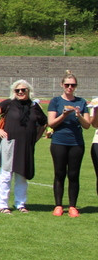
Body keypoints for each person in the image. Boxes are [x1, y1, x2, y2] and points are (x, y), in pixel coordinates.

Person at [0, 80, 46, 214]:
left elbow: (44, 123)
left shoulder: (34, 106)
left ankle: (20, 204)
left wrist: (35, 138)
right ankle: (2, 204)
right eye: (17, 90)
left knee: (22, 175)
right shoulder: (8, 103)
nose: (20, 92)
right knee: (6, 175)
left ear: (28, 91)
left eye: (23, 90)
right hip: (9, 143)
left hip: (25, 145)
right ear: (13, 91)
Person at [46, 73, 88, 217]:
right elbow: (51, 123)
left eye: (73, 85)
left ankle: (72, 206)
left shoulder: (81, 102)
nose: (70, 87)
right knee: (59, 173)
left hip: (76, 143)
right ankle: (58, 205)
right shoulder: (55, 101)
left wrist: (79, 115)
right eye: (67, 85)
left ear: (76, 86)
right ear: (62, 85)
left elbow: (87, 125)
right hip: (59, 141)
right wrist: (63, 115)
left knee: (74, 174)